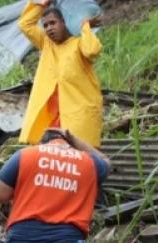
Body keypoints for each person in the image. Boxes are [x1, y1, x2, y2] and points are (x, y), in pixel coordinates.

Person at [18, 1, 103, 147]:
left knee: (78, 160)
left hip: (78, 118)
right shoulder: (46, 44)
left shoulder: (78, 44)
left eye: (53, 23)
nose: (49, 28)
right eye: (45, 25)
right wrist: (41, 4)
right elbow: (25, 24)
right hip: (51, 119)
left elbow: (92, 50)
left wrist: (85, 25)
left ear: (64, 22)